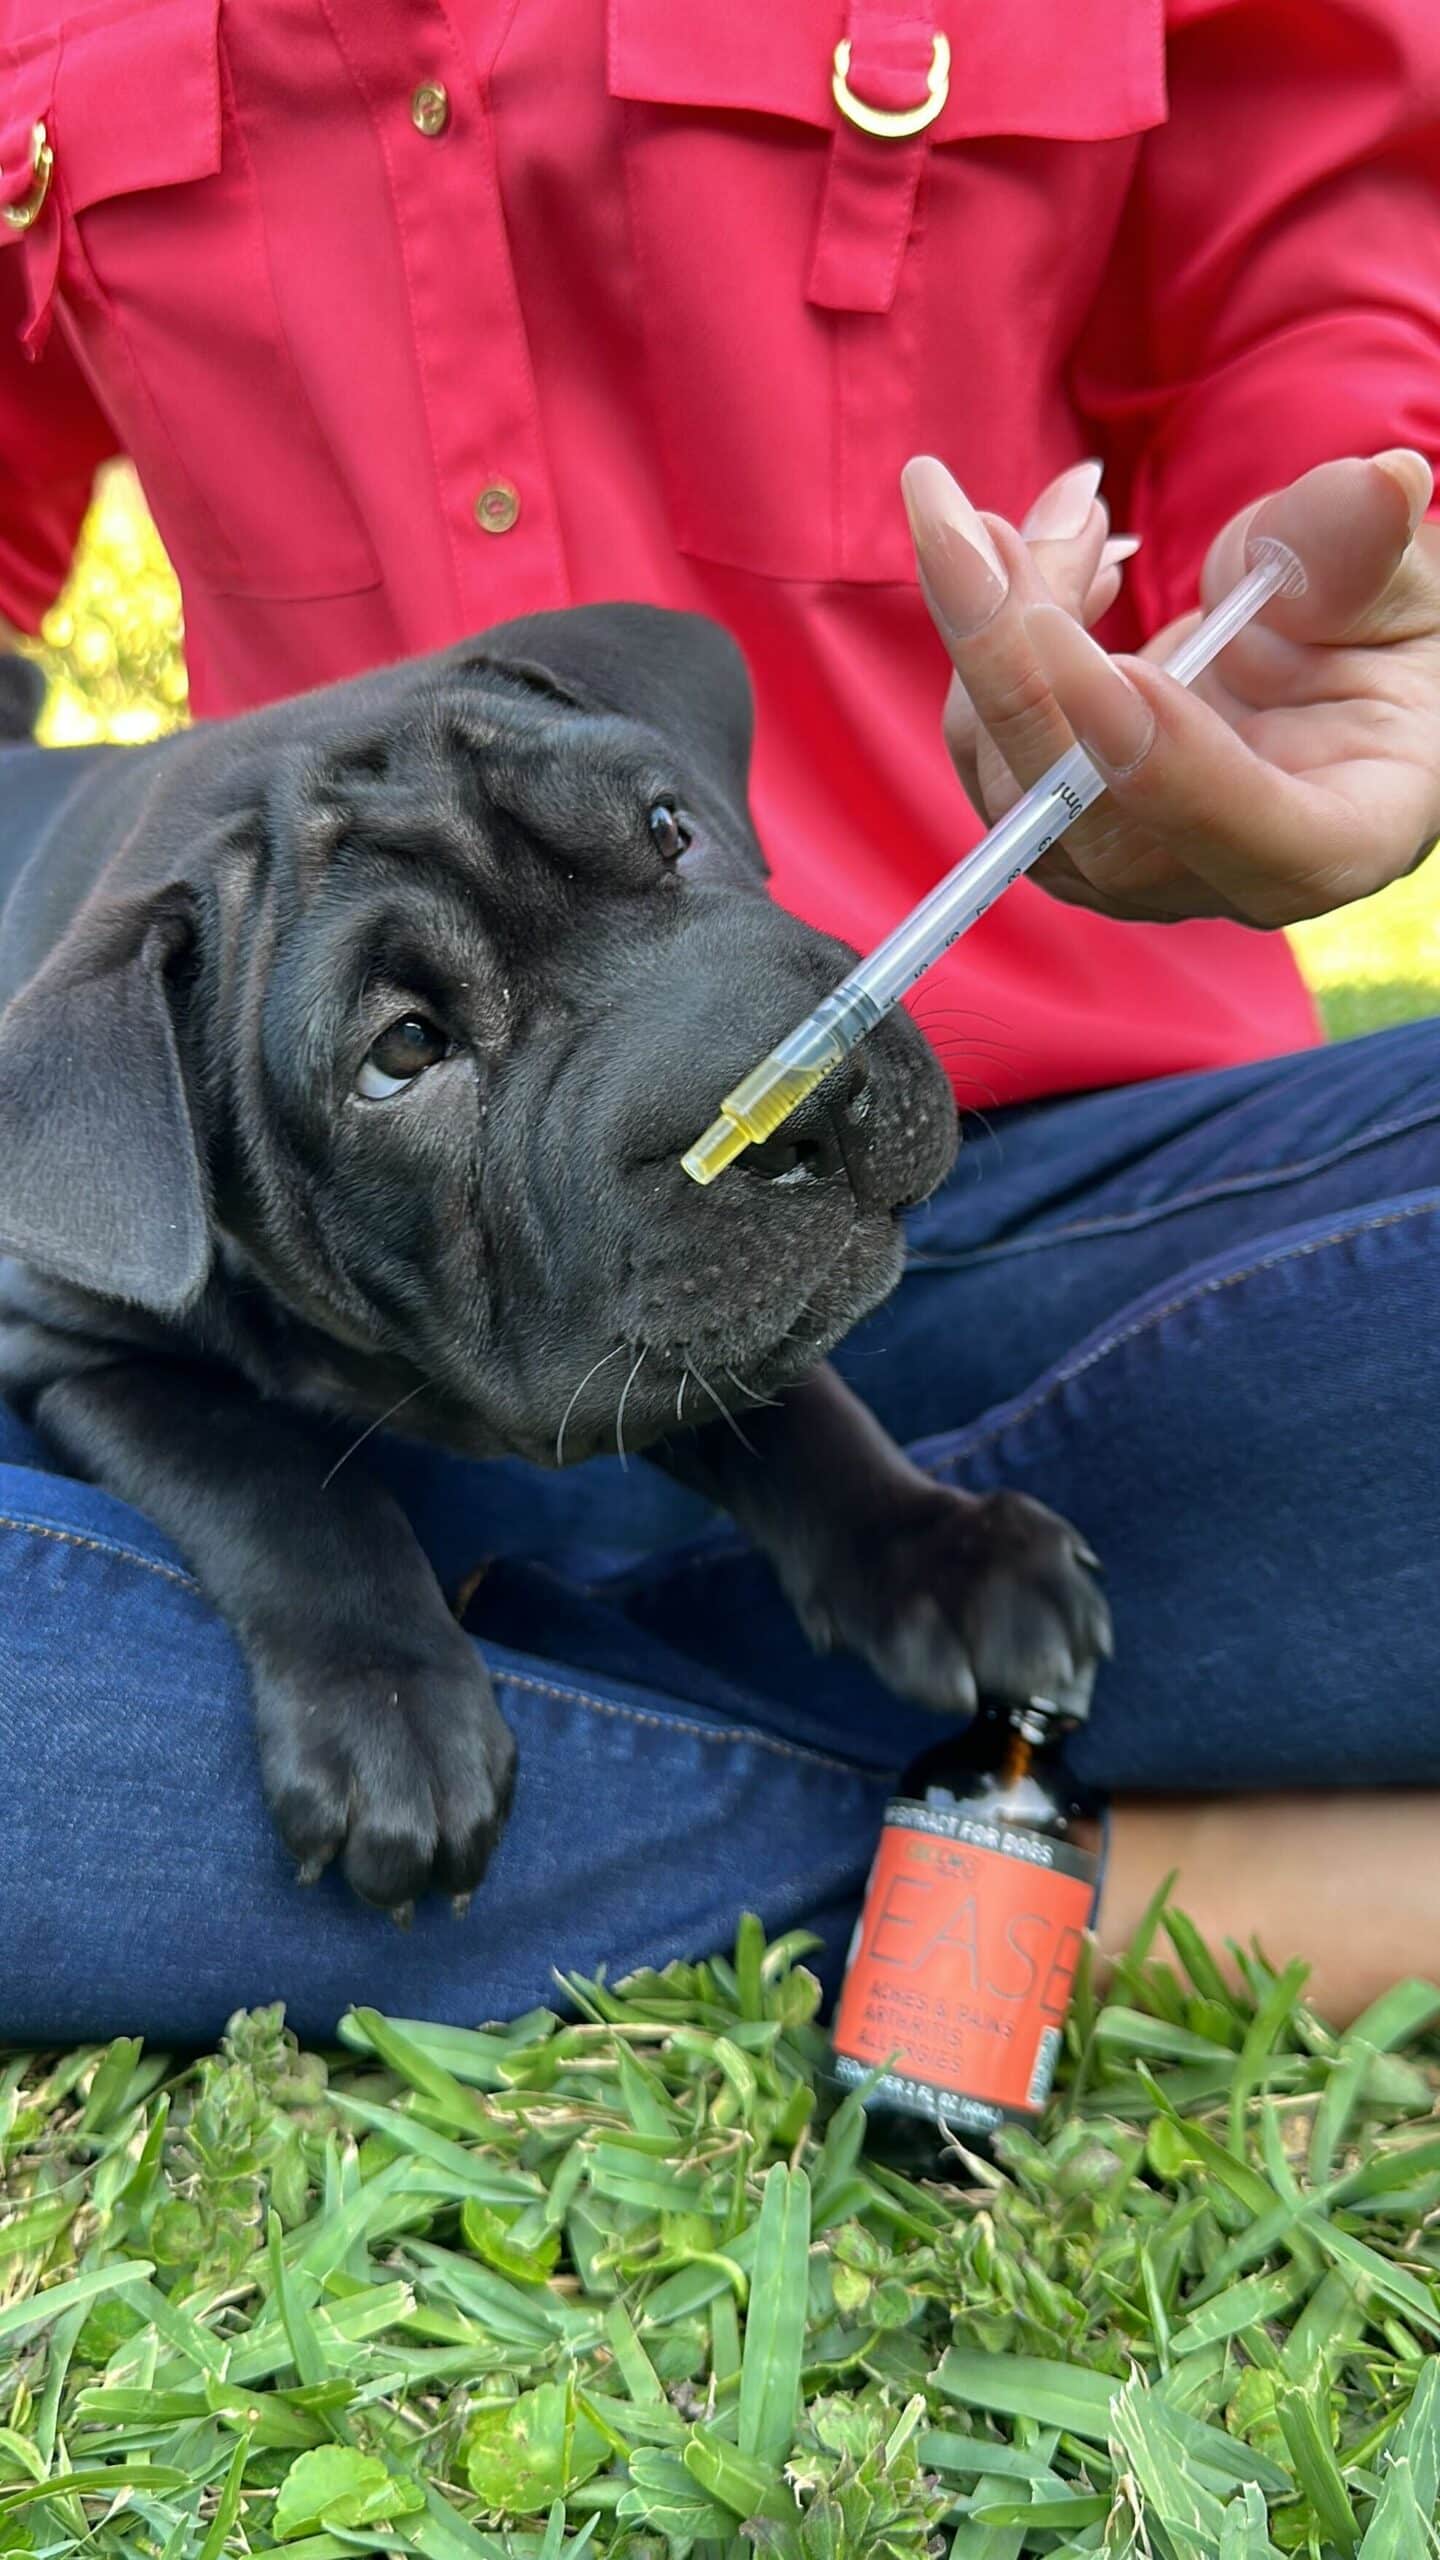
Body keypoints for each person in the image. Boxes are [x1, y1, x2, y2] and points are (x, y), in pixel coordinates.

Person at [0, 0, 1437, 2045]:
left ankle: (567, 1737)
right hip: (380, 1371)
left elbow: (1314, 260)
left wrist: (1349, 558)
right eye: (412, 1034)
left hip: (1074, 1204)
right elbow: (64, 1322)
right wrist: (328, 1599)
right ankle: (1060, 1868)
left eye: (656, 837)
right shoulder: (128, 1067)